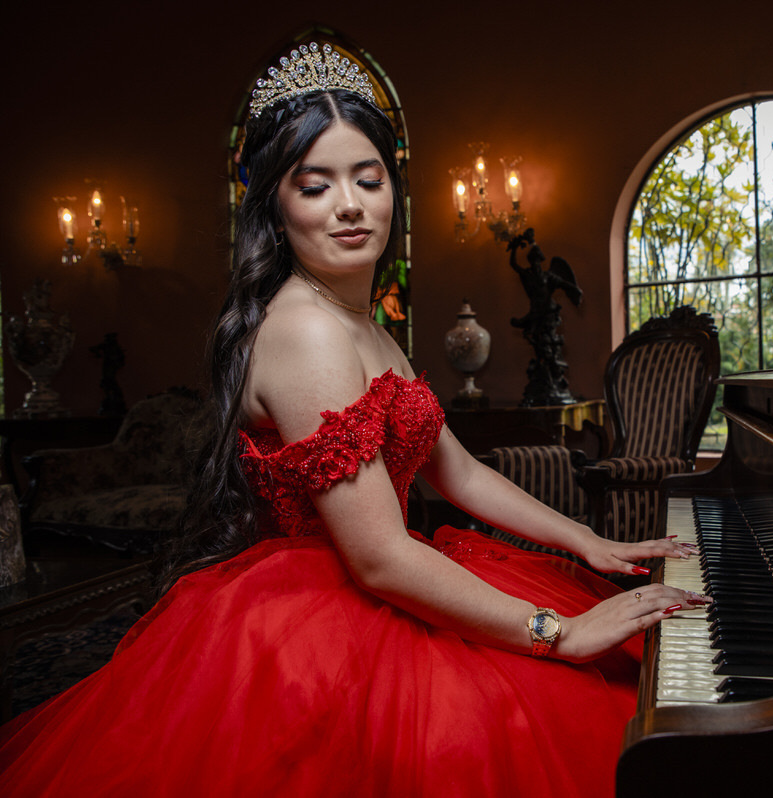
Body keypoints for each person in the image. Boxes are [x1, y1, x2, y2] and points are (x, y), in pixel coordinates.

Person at [0, 43, 705, 796]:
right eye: (315, 185)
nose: (349, 204)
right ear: (275, 203)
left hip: (395, 573)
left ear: (393, 192)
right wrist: (554, 631)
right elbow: (377, 557)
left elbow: (458, 469)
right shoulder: (304, 330)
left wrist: (585, 539)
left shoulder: (367, 325)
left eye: (369, 179)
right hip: (325, 616)